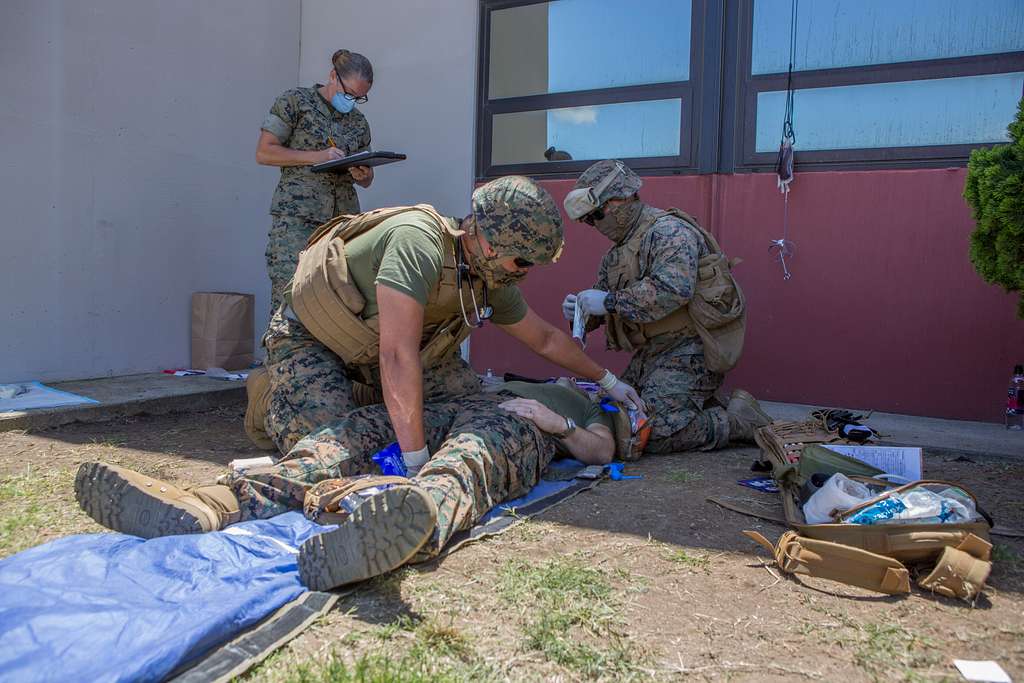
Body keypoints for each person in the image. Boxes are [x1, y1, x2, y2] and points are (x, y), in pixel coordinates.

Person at [259, 175, 644, 475]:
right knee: (334, 447)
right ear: (492, 245)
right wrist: (415, 462)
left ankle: (370, 396)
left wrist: (609, 381)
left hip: (374, 348)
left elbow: (543, 339)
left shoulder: (487, 277)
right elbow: (396, 355)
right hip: (314, 338)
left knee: (468, 407)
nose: (524, 274)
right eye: (522, 263)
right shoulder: (417, 243)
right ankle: (270, 398)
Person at [74, 381, 614, 590]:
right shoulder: (504, 374)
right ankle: (210, 504)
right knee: (346, 435)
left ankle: (411, 520)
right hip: (455, 403)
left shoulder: (587, 403)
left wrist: (554, 419)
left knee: (467, 461)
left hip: (517, 426)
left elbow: (602, 450)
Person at [560, 160, 769, 454]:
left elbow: (673, 290)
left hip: (690, 349)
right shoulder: (616, 254)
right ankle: (697, 403)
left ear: (621, 200)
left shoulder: (669, 232)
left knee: (647, 431)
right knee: (608, 416)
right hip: (652, 352)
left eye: (596, 215)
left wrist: (608, 301)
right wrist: (581, 312)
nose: (593, 225)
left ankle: (737, 421)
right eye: (587, 220)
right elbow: (608, 305)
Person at [256, 49, 376, 311]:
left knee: (339, 306)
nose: (353, 101)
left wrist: (363, 174)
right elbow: (264, 152)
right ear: (333, 76)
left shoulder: (359, 123)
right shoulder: (295, 102)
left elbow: (366, 178)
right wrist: (316, 156)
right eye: (349, 93)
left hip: (342, 227)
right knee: (290, 301)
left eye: (360, 97)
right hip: (298, 223)